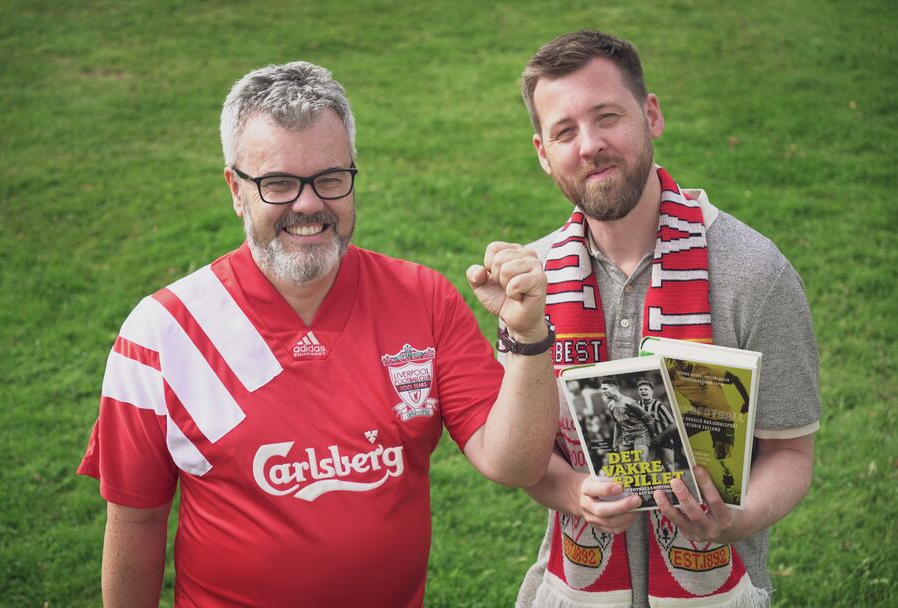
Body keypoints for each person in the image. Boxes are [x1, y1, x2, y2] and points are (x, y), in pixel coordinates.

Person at [77, 60, 559, 608]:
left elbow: (514, 463)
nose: (309, 204)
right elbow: (136, 523)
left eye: (330, 179)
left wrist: (527, 337)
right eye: (278, 183)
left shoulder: (424, 299)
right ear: (237, 189)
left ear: (353, 175)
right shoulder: (162, 335)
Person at [512, 30, 820, 607]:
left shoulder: (755, 273)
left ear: (651, 115)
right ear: (542, 152)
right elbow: (525, 456)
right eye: (564, 132)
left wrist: (736, 518)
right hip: (572, 590)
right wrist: (576, 490)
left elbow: (791, 453)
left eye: (608, 117)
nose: (590, 145)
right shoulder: (532, 286)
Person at [668, 359, 751, 500]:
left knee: (722, 459)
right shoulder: (673, 375)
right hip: (699, 415)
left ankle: (728, 478)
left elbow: (734, 378)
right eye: (676, 361)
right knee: (670, 435)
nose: (680, 362)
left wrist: (747, 401)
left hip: (723, 417)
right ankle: (673, 477)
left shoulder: (705, 370)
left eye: (682, 360)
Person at [597, 378, 654, 456]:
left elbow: (649, 419)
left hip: (640, 435)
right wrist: (615, 441)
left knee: (641, 464)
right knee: (626, 466)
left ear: (613, 388)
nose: (603, 391)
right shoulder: (610, 406)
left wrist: (654, 436)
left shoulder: (629, 402)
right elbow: (617, 424)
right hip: (627, 440)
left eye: (605, 389)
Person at [636, 378, 681, 470]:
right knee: (644, 466)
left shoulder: (659, 406)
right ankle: (650, 483)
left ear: (652, 391)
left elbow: (673, 425)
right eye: (641, 389)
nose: (643, 391)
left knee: (668, 466)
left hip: (664, 438)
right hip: (647, 440)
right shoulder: (636, 406)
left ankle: (673, 484)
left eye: (646, 389)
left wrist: (660, 437)